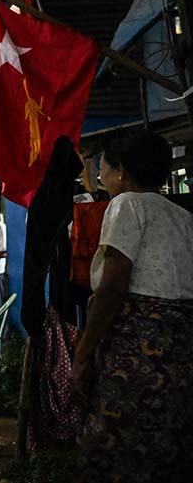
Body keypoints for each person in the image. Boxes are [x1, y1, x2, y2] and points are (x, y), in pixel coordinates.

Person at [71, 129, 193, 482]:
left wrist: (82, 354)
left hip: (139, 343)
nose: (100, 177)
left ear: (121, 171)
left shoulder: (126, 204)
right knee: (169, 446)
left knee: (117, 446)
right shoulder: (182, 216)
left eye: (103, 169)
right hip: (182, 344)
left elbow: (112, 286)